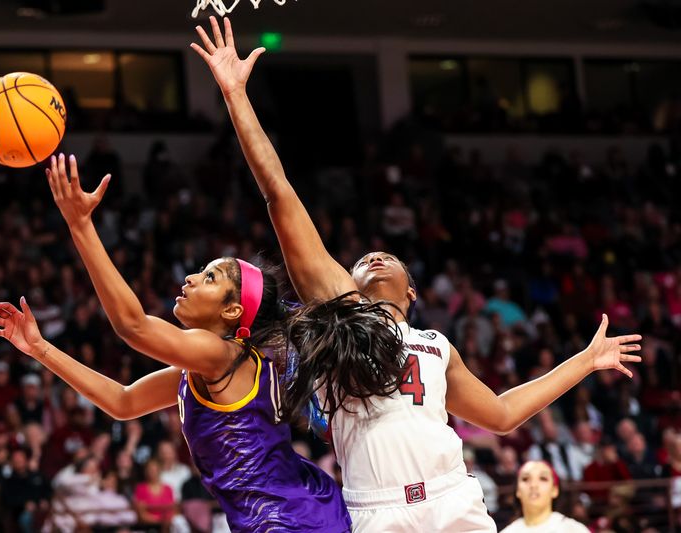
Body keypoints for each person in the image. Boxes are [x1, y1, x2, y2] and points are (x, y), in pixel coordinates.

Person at [192, 16, 643, 532]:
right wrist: (236, 96)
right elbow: (279, 192)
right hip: (376, 508)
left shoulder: (437, 343)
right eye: (363, 259)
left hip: (453, 496)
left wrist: (583, 362)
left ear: (412, 288)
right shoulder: (340, 311)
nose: (374, 258)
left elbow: (499, 414)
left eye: (389, 258)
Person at [0, 155, 352, 533]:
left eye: (210, 278)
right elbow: (123, 403)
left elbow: (133, 326)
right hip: (289, 514)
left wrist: (80, 226)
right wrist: (40, 348)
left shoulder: (222, 354)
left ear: (232, 311)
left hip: (290, 521)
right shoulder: (208, 366)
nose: (191, 278)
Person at [500, 460, 588, 532]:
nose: (533, 485)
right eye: (525, 479)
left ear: (555, 490)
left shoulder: (574, 530)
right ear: (517, 490)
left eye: (543, 478)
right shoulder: (508, 531)